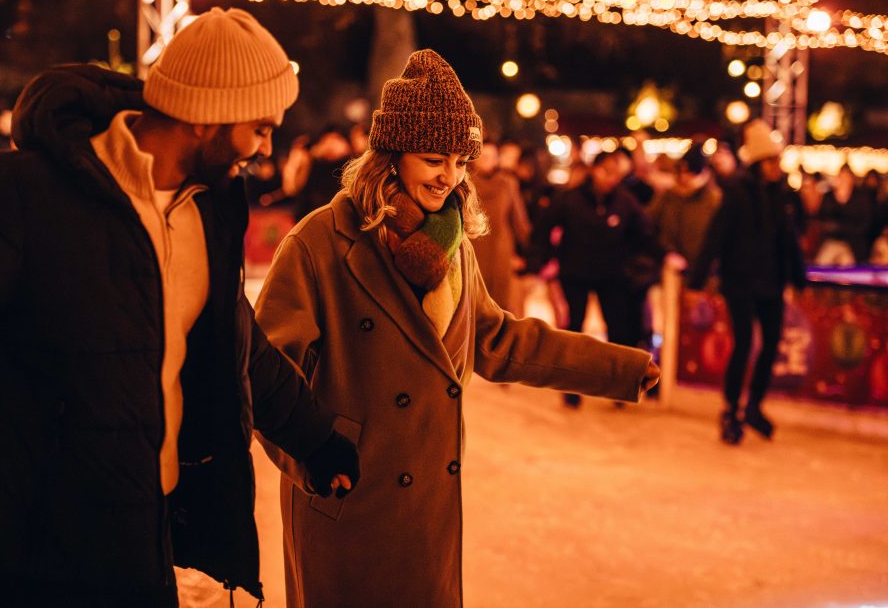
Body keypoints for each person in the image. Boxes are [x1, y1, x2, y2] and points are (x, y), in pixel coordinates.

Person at [0, 8, 359, 607]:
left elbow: (232, 345)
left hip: (136, 527)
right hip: (19, 547)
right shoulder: (24, 191)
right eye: (261, 126)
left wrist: (316, 439)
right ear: (207, 114)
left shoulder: (206, 210)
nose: (265, 145)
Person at [254, 49, 660, 608]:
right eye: (433, 159)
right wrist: (314, 457)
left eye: (460, 161)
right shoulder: (320, 243)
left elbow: (497, 339)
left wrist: (622, 367)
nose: (450, 177)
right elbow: (267, 374)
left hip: (425, 509)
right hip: (348, 494)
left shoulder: (452, 244)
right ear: (390, 157)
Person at [689, 119, 806, 445]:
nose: (777, 168)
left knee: (770, 345)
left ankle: (754, 405)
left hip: (770, 282)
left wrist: (798, 278)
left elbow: (789, 240)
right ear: (758, 163)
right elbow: (715, 236)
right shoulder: (737, 194)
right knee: (743, 345)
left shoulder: (779, 195)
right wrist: (696, 280)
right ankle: (731, 409)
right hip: (740, 283)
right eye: (771, 161)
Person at [546, 150, 663, 408]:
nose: (611, 178)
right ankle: (570, 387)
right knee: (573, 331)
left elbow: (645, 234)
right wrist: (545, 261)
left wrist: (665, 255)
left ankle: (618, 386)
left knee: (617, 331)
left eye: (616, 174)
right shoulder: (570, 199)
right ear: (594, 170)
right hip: (574, 273)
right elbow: (544, 228)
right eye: (606, 171)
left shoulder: (625, 201)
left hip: (611, 275)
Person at [469, 137, 531, 315]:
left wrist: (525, 251)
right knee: (473, 301)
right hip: (474, 247)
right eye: (483, 156)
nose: (487, 161)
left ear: (497, 159)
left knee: (500, 304)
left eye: (491, 156)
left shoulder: (507, 183)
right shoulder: (466, 182)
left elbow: (519, 220)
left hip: (500, 250)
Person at [647, 142, 722, 273]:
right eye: (681, 171)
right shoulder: (667, 196)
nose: (684, 177)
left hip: (706, 271)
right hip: (671, 267)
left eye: (690, 172)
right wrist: (664, 253)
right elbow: (647, 224)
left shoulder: (713, 199)